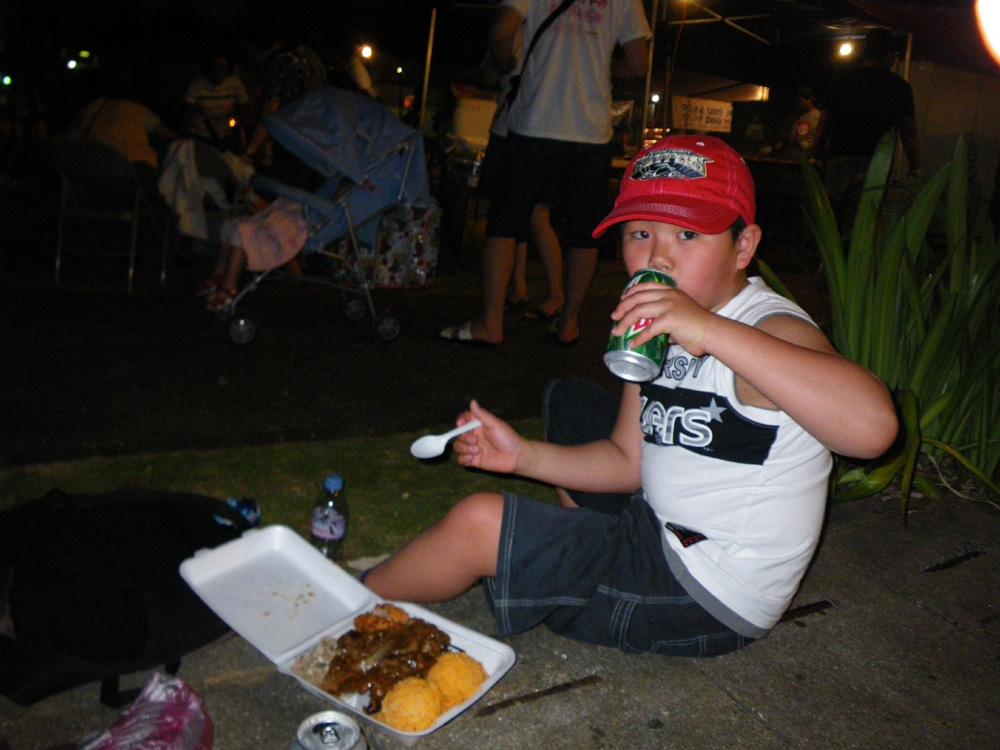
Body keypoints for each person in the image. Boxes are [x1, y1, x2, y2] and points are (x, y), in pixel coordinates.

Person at [364, 135, 899, 655]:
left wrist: (709, 331)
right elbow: (625, 461)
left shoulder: (772, 329)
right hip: (657, 522)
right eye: (640, 233)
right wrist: (522, 457)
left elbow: (873, 431)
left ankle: (352, 600)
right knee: (573, 403)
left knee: (481, 522)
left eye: (687, 235)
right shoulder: (653, 323)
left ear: (743, 247)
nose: (657, 258)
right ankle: (587, 544)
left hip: (706, 592)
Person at [439, 0, 651, 346]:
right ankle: (569, 323)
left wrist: (505, 63)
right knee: (584, 232)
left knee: (505, 222)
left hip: (534, 123)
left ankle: (491, 323)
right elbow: (639, 63)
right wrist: (598, 66)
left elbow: (501, 32)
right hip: (591, 130)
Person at [820, 28, 921, 227]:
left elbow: (825, 123)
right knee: (864, 221)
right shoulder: (898, 87)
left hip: (839, 157)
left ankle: (825, 248)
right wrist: (915, 165)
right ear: (889, 55)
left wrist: (817, 155)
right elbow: (908, 130)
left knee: (831, 217)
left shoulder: (841, 80)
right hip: (876, 163)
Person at [182, 49, 253, 153]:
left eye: (223, 68)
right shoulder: (197, 85)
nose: (220, 72)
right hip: (201, 134)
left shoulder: (235, 83)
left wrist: (242, 131)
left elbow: (245, 108)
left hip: (227, 134)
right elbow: (186, 112)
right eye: (216, 67)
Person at [757, 84, 822, 161]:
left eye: (800, 101)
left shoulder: (818, 117)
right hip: (790, 159)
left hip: (805, 161)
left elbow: (816, 142)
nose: (797, 104)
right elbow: (785, 139)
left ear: (809, 100)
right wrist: (772, 148)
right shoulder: (795, 116)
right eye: (796, 101)